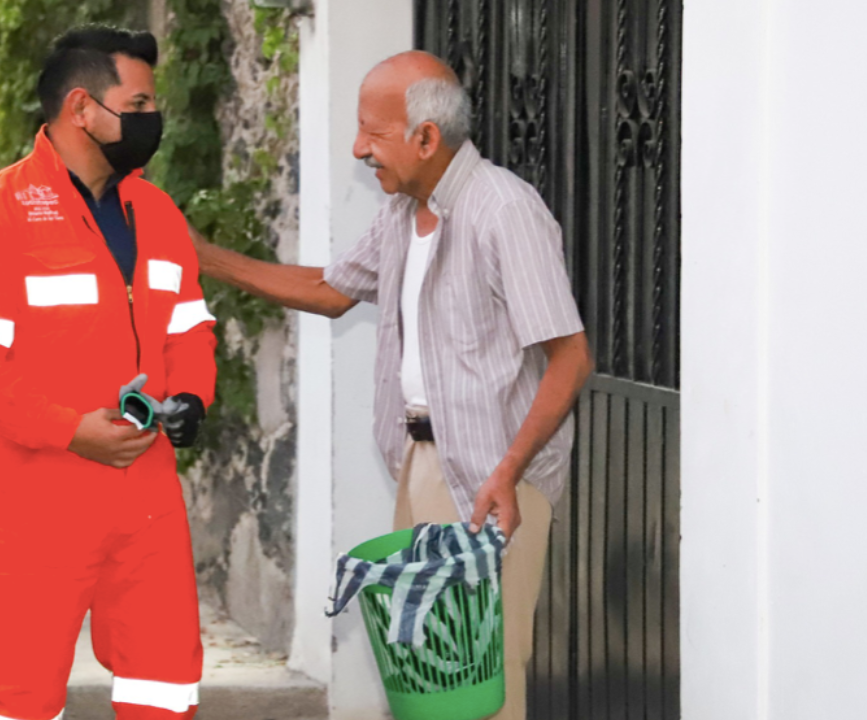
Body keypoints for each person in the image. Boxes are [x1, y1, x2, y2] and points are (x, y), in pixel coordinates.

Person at [188, 51, 592, 720]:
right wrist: (199, 255)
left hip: (495, 479)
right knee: (428, 678)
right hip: (421, 464)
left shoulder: (504, 210)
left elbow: (570, 357)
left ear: (426, 138)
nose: (358, 149)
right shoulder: (404, 212)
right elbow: (331, 290)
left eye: (372, 133)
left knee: (483, 680)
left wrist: (508, 471)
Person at [0, 26, 217, 720]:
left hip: (146, 491)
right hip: (39, 493)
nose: (153, 118)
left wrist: (190, 397)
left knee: (165, 679)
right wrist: (69, 430)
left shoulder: (157, 214)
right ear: (82, 108)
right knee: (22, 693)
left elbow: (189, 326)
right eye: (139, 103)